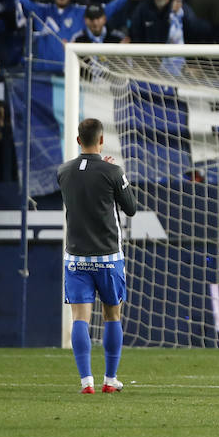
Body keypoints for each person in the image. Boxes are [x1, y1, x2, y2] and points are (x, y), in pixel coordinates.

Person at [59, 118, 138, 395]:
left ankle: (86, 381)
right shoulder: (113, 172)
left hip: (76, 257)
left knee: (80, 318)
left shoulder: (63, 171)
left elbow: (84, 186)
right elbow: (131, 208)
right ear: (101, 140)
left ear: (78, 140)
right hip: (108, 256)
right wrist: (115, 175)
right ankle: (109, 379)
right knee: (112, 315)